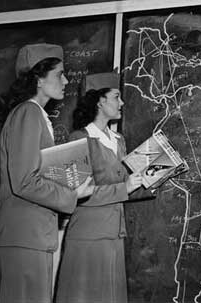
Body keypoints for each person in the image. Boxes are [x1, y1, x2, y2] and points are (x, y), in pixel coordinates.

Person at [0, 43, 94, 303]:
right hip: (21, 240)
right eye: (59, 74)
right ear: (38, 79)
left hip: (29, 238)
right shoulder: (28, 113)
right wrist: (71, 194)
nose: (66, 80)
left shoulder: (35, 115)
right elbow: (24, 181)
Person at [55, 72, 152, 303]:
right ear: (100, 100)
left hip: (113, 235)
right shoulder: (78, 138)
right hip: (88, 237)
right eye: (117, 97)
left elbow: (126, 187)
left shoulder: (118, 140)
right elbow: (77, 195)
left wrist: (154, 176)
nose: (122, 103)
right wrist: (125, 187)